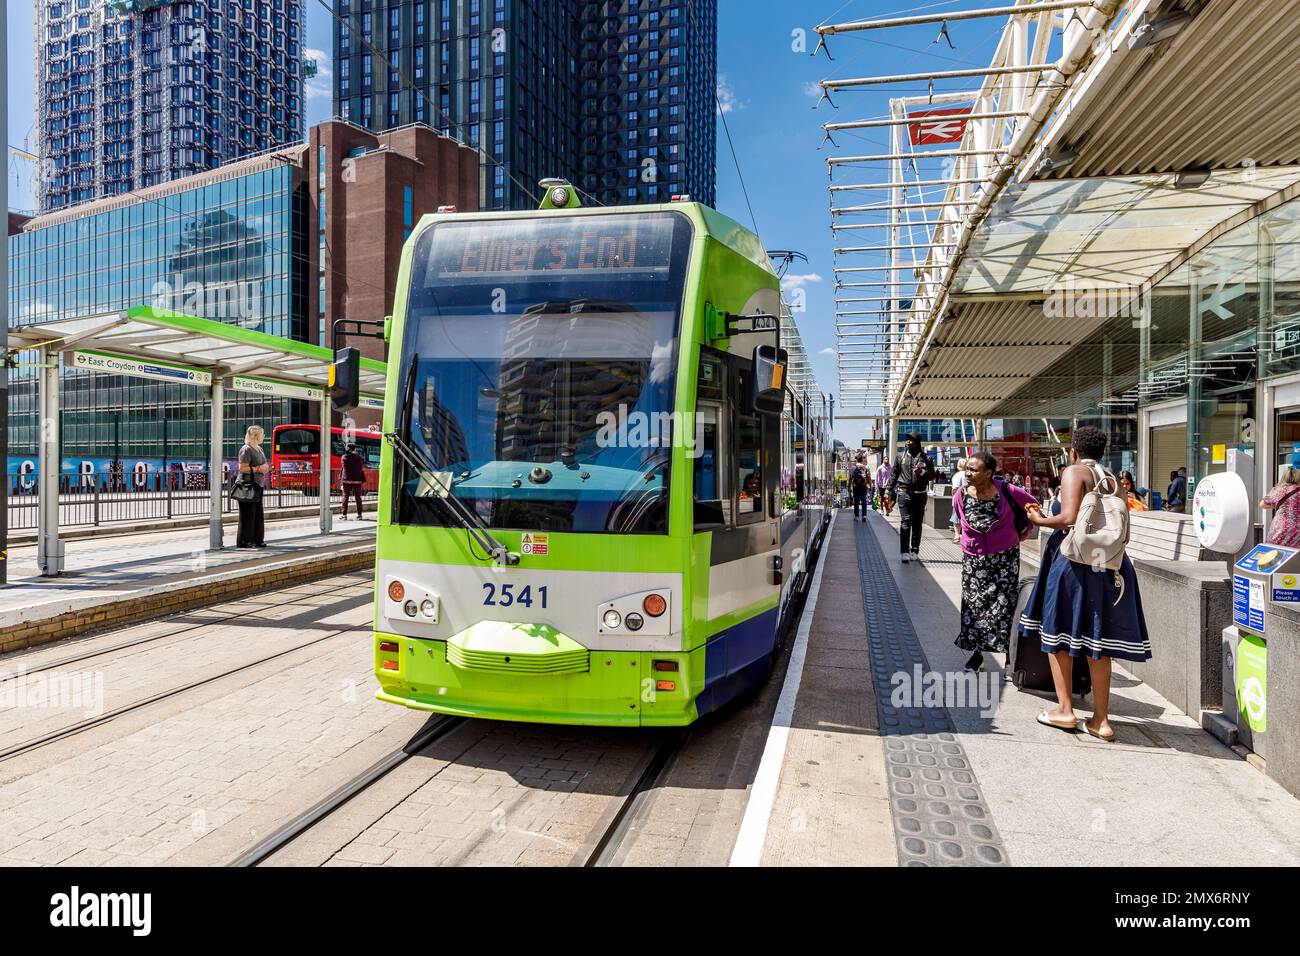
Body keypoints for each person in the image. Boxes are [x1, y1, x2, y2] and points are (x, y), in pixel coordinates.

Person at [1020, 425, 1151, 742]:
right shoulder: (1114, 480)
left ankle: (1065, 710)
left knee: (1056, 632)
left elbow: (1068, 519)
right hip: (1110, 565)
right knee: (1097, 639)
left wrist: (1037, 519)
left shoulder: (1073, 472)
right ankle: (1101, 720)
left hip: (1073, 563)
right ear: (1102, 452)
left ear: (1073, 451)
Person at [954, 451, 1037, 671]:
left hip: (1004, 558)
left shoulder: (1007, 491)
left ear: (989, 473)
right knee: (974, 607)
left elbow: (1033, 507)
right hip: (974, 559)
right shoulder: (960, 495)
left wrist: (1024, 531)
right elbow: (960, 519)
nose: (968, 473)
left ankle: (1010, 657)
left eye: (974, 469)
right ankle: (977, 654)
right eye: (967, 469)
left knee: (1004, 606)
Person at [888, 432, 936, 564]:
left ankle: (915, 549)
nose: (908, 442)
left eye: (910, 440)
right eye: (907, 440)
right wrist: (888, 489)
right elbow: (894, 474)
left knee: (917, 522)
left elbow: (932, 476)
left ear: (917, 442)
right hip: (904, 493)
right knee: (905, 521)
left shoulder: (926, 459)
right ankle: (904, 551)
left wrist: (922, 472)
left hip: (920, 494)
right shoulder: (900, 457)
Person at [236, 424, 269, 549]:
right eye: (262, 434)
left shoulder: (259, 449)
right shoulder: (246, 449)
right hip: (247, 486)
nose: (264, 436)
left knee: (257, 514)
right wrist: (259, 469)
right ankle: (245, 541)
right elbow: (242, 468)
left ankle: (257, 539)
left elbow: (263, 464)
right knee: (248, 514)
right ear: (256, 435)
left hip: (258, 485)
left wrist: (265, 468)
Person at [1261, 465, 1300, 547]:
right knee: (1295, 555)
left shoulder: (1280, 490)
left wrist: (1278, 505)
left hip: (1280, 527)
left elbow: (1262, 504)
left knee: (1274, 552)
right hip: (1297, 530)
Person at [340, 441, 367, 520]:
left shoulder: (344, 457)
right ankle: (359, 515)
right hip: (357, 480)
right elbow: (360, 466)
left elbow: (343, 466)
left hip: (346, 479)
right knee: (358, 497)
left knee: (345, 496)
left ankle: (344, 515)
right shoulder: (359, 457)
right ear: (355, 449)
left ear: (347, 448)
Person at [949, 457, 968, 544]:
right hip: (968, 500)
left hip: (959, 500)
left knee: (956, 518)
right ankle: (965, 536)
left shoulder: (957, 475)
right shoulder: (968, 474)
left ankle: (957, 535)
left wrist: (953, 495)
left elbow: (955, 488)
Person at [849, 455, 870, 521]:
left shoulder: (853, 468)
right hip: (863, 486)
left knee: (856, 501)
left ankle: (857, 516)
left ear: (856, 460)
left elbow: (850, 478)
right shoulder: (866, 467)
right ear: (862, 460)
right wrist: (869, 485)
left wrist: (849, 486)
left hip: (856, 486)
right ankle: (864, 515)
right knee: (864, 501)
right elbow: (868, 477)